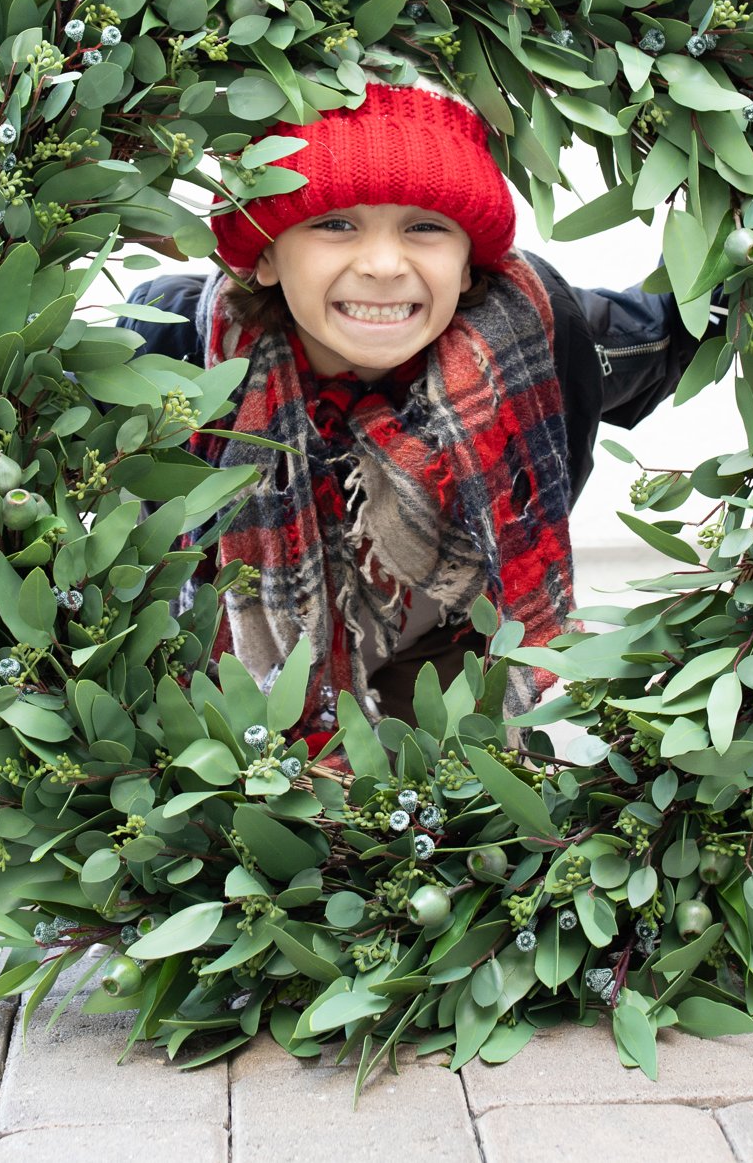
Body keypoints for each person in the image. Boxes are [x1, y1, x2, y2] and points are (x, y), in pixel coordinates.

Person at [119, 78, 704, 759]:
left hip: (441, 645)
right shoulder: (174, 347)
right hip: (230, 679)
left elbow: (665, 334)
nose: (383, 265)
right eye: (335, 223)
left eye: (425, 226)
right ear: (268, 252)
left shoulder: (525, 342)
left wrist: (751, 210)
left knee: (464, 799)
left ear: (468, 263)